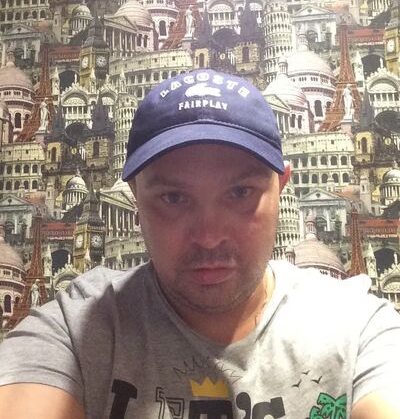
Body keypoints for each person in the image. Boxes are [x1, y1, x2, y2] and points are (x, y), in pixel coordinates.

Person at [0, 69, 399, 419]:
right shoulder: (77, 330)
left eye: (240, 193)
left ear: (281, 188)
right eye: (174, 198)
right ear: (135, 196)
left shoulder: (357, 328)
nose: (209, 236)